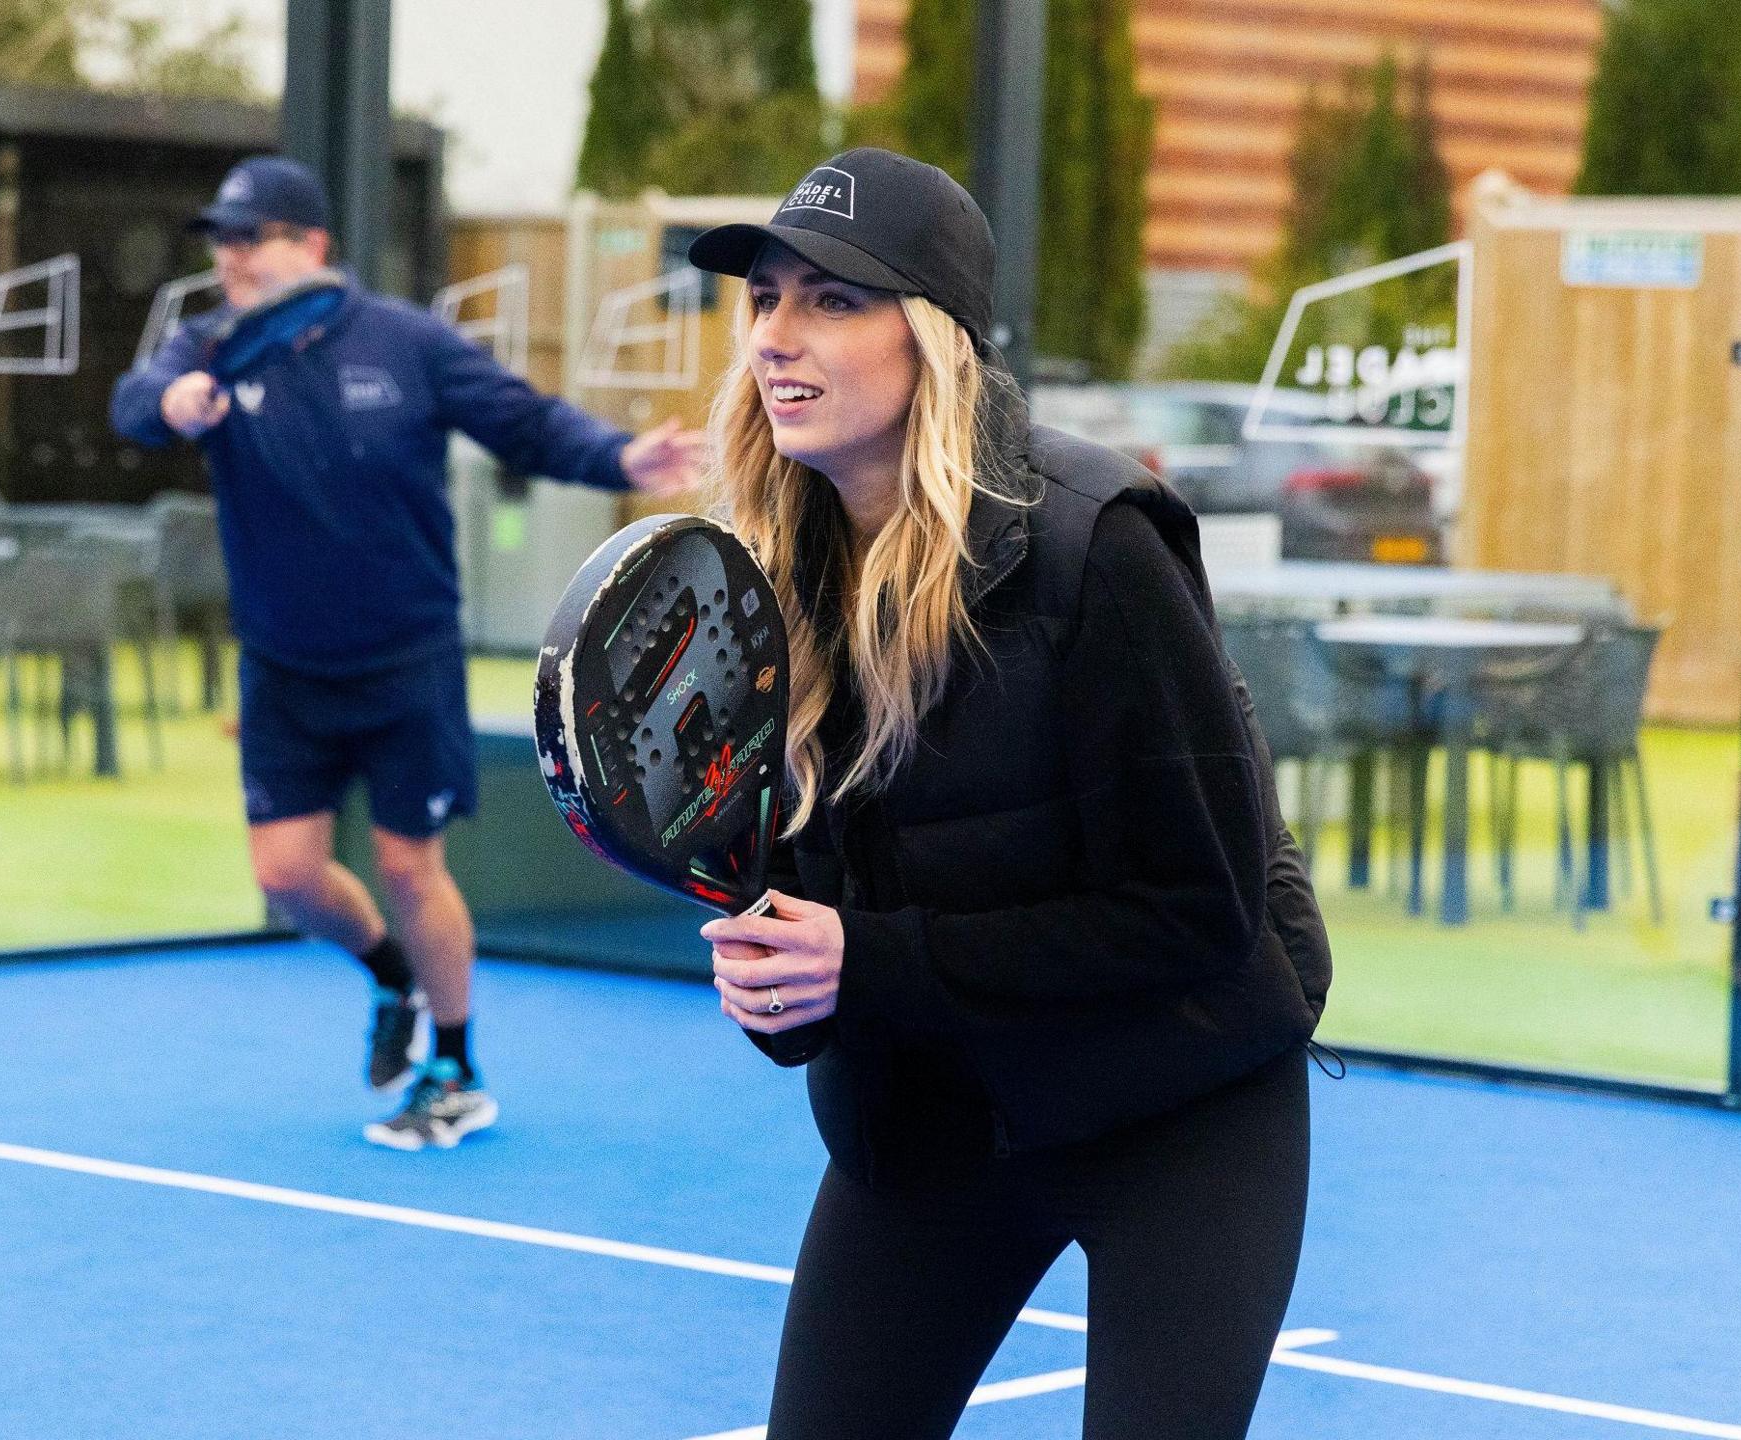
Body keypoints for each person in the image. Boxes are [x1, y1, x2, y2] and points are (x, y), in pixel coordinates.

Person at [686, 148, 1335, 1438]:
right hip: (931, 1118)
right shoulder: (758, 585)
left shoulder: (1102, 544)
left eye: (829, 299)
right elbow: (818, 948)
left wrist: (863, 965)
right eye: (764, 298)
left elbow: (1195, 911)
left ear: (932, 336)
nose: (776, 337)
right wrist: (785, 985)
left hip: (1180, 1103)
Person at [110, 155, 703, 1150]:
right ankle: (392, 978)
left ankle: (457, 1065)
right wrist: (172, 407)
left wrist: (620, 459)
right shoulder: (206, 349)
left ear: (311, 246)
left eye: (248, 238)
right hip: (283, 668)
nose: (231, 258)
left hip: (405, 660)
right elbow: (138, 400)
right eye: (221, 240)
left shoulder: (407, 343)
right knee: (288, 876)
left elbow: (522, 420)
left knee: (407, 864)